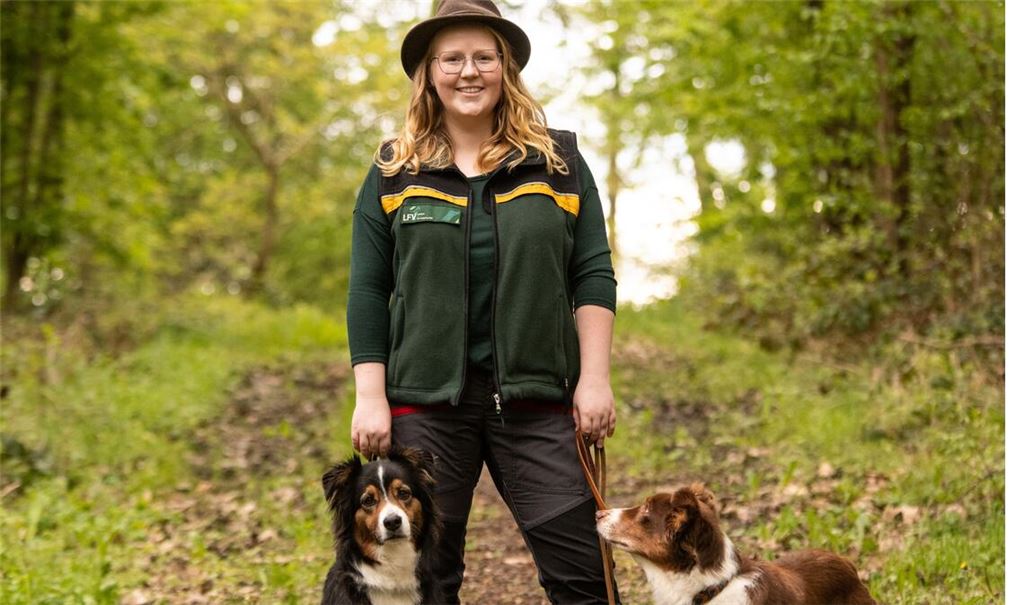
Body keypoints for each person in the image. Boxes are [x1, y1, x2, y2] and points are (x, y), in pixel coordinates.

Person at [345, 1, 619, 602]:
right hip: (425, 406)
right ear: (429, 72)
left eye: (483, 57)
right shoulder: (395, 170)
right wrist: (371, 397)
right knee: (425, 581)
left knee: (583, 577)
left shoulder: (558, 161)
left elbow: (592, 273)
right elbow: (368, 288)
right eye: (452, 58)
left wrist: (593, 379)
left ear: (506, 68)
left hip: (539, 397)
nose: (469, 71)